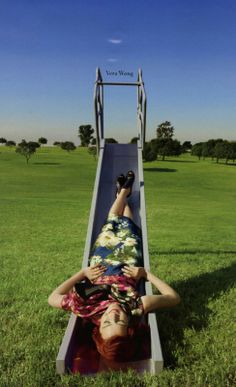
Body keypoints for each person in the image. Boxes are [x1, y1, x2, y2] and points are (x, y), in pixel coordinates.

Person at [48, 171, 180, 362]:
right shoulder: (135, 308)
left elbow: (52, 298)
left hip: (102, 257)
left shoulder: (85, 309)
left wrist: (82, 273)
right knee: (127, 222)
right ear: (129, 327)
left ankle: (124, 191)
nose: (114, 314)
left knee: (112, 218)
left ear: (98, 328)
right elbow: (174, 298)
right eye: (119, 321)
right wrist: (145, 274)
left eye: (107, 322)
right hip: (129, 257)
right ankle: (123, 193)